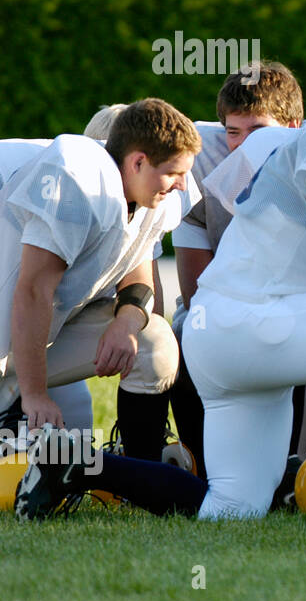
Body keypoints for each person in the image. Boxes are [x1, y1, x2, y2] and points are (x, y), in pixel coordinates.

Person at [16, 33, 306, 521]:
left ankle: (77, 468)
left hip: (229, 331)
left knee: (230, 508)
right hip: (260, 323)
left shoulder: (304, 136)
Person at [0, 99, 200, 444]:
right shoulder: (78, 178)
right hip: (14, 322)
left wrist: (126, 323)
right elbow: (33, 291)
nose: (182, 184)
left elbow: (138, 276)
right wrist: (34, 396)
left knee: (153, 342)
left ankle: (141, 477)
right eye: (173, 172)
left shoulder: (146, 189)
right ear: (138, 161)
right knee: (29, 461)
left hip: (28, 333)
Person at [168, 62, 304, 475]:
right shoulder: (200, 159)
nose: (244, 146)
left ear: (294, 126)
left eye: (259, 132)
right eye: (233, 132)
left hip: (299, 305)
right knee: (188, 329)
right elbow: (196, 294)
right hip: (224, 301)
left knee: (298, 333)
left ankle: (288, 465)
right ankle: (203, 464)